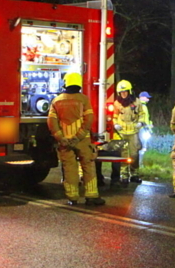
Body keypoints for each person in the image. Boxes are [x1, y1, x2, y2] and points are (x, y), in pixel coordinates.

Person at [47, 72, 104, 206]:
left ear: (65, 83)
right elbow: (89, 119)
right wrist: (79, 136)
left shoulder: (57, 100)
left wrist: (61, 137)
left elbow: (52, 122)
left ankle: (72, 198)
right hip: (82, 140)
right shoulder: (84, 99)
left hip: (64, 141)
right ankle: (91, 196)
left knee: (69, 168)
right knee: (88, 165)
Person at [111, 79, 143, 184]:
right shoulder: (117, 104)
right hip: (122, 132)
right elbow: (114, 116)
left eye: (125, 92)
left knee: (134, 154)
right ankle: (124, 176)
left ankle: (134, 174)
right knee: (123, 155)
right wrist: (115, 124)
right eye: (121, 92)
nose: (123, 94)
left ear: (129, 92)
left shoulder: (136, 102)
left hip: (133, 131)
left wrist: (141, 123)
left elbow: (142, 114)